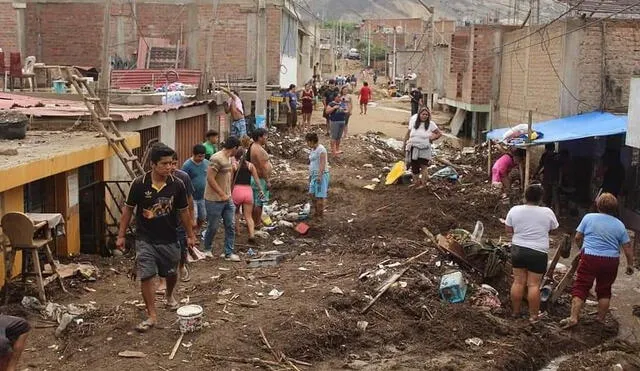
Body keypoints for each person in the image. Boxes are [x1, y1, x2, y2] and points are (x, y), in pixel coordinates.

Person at [117, 145, 195, 332]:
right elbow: (128, 209)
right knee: (146, 275)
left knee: (170, 273)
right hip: (145, 239)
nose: (169, 167)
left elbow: (184, 211)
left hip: (170, 237)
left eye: (171, 163)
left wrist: (191, 234)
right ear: (153, 165)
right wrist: (121, 235)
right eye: (164, 164)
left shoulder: (177, 184)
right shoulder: (139, 184)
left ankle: (169, 294)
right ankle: (152, 315)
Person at [561, 193, 634, 329]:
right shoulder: (619, 225)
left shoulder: (589, 218)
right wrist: (630, 264)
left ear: (598, 205)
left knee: (581, 286)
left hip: (590, 257)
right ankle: (600, 320)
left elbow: (577, 237)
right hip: (611, 260)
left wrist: (583, 248)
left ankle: (573, 318)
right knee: (604, 289)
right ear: (614, 208)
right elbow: (627, 248)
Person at [505, 184, 559, 322]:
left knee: (518, 282)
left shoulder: (514, 210)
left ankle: (515, 312)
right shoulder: (547, 212)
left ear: (525, 196)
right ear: (541, 198)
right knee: (533, 285)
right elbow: (554, 230)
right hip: (538, 251)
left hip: (518, 249)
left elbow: (508, 230)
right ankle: (533, 316)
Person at [203, 136, 241, 261]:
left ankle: (228, 252)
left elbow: (228, 177)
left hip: (227, 198)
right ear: (235, 148)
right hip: (214, 199)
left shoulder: (229, 159)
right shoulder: (217, 158)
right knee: (213, 226)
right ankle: (207, 249)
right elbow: (210, 178)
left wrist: (228, 193)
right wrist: (221, 194)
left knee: (230, 225)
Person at [232, 147, 266, 243]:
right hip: (248, 192)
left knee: (236, 213)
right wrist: (261, 190)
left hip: (237, 191)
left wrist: (229, 191)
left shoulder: (234, 166)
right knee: (248, 216)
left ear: (237, 156)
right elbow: (256, 180)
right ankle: (251, 234)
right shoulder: (251, 166)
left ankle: (237, 231)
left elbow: (230, 181)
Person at [403, 107, 442, 187]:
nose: (425, 116)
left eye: (426, 114)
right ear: (419, 115)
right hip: (413, 147)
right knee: (414, 166)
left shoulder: (431, 124)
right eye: (423, 114)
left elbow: (439, 133)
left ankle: (423, 184)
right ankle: (416, 183)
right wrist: (404, 144)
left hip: (424, 148)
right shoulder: (414, 123)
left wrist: (432, 138)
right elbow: (408, 134)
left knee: (423, 166)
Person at [182, 144, 209, 240]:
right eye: (199, 156)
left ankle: (197, 230)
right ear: (193, 154)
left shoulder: (206, 163)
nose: (201, 158)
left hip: (202, 196)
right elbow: (183, 181)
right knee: (193, 217)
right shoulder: (187, 165)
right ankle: (191, 234)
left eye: (203, 156)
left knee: (203, 216)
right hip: (191, 197)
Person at [247, 128, 273, 228]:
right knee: (259, 202)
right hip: (260, 180)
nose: (266, 138)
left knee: (255, 202)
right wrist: (267, 181)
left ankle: (254, 222)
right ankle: (257, 223)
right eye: (265, 136)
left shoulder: (254, 146)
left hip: (255, 178)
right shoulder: (258, 149)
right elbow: (263, 168)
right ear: (259, 137)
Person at [306, 133, 330, 219]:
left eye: (308, 142)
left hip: (321, 175)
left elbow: (322, 164)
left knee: (320, 197)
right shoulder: (313, 149)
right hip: (313, 175)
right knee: (312, 194)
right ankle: (316, 212)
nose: (307, 144)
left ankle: (320, 215)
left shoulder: (321, 150)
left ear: (312, 141)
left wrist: (320, 176)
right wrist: (310, 176)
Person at [535, 143, 560, 210]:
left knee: (552, 196)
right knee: (550, 196)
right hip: (549, 179)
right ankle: (553, 211)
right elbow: (541, 166)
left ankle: (555, 211)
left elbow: (540, 166)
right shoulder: (550, 156)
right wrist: (536, 173)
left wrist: (535, 173)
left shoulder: (555, 156)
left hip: (551, 179)